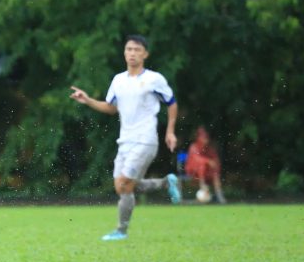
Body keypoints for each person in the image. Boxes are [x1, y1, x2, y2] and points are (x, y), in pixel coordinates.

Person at [69, 35, 182, 241]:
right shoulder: (118, 80)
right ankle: (165, 183)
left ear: (145, 54)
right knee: (122, 187)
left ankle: (121, 230)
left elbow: (171, 103)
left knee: (124, 184)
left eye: (137, 50)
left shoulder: (154, 79)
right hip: (124, 141)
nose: (132, 53)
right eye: (129, 49)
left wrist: (170, 131)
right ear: (124, 52)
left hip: (145, 139)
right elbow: (111, 108)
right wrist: (87, 100)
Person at [185, 126, 227, 203]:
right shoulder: (193, 147)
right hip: (194, 173)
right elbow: (196, 160)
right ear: (198, 138)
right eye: (203, 137)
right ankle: (203, 187)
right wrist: (208, 161)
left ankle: (219, 195)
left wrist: (215, 169)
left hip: (207, 174)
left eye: (206, 138)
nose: (205, 140)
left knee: (215, 174)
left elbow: (215, 161)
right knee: (201, 165)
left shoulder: (210, 148)